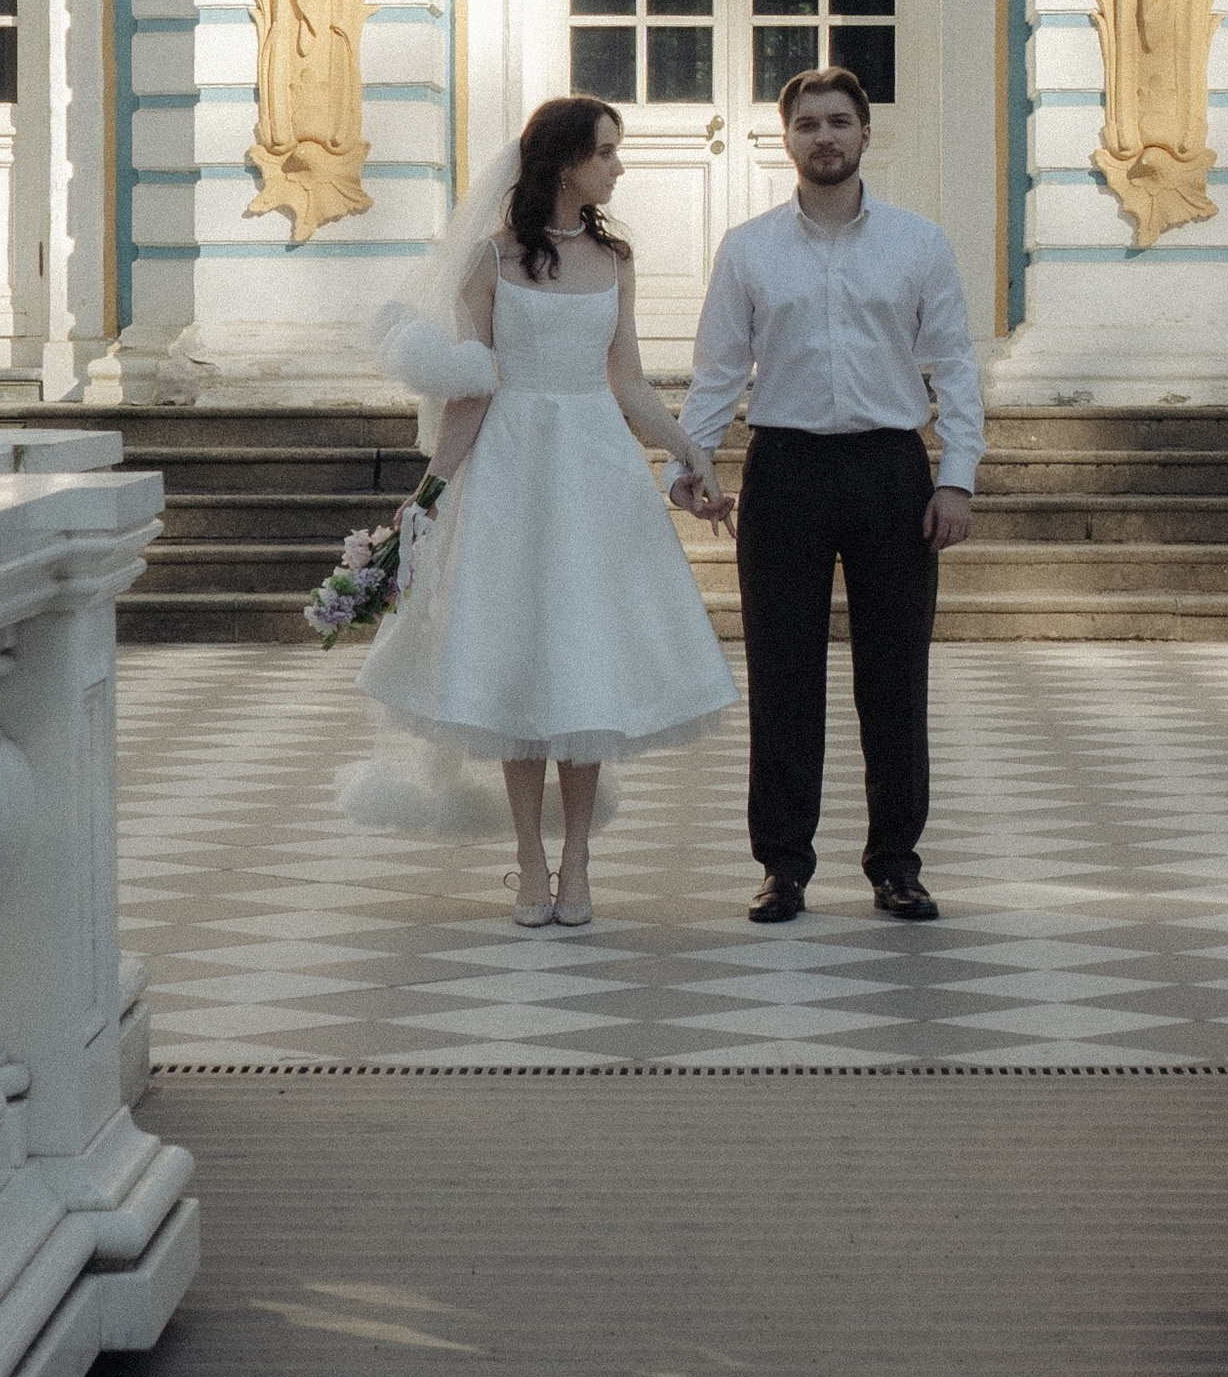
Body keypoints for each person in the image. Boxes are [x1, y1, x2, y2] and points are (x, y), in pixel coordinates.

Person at [360, 98, 736, 927]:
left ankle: (579, 862)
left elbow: (627, 381)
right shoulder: (491, 260)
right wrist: (429, 493)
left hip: (594, 471)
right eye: (606, 152)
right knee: (521, 659)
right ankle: (530, 860)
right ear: (565, 162)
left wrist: (691, 448)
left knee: (583, 658)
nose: (618, 167)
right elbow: (473, 390)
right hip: (511, 471)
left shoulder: (616, 259)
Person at [672, 68, 983, 925]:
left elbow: (954, 366)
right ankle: (783, 865)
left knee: (895, 677)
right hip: (786, 470)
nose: (825, 137)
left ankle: (896, 864)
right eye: (808, 124)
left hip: (891, 472)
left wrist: (957, 476)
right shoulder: (749, 249)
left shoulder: (919, 243)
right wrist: (689, 464)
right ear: (787, 139)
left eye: (839, 122)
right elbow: (718, 369)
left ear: (866, 134)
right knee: (782, 676)